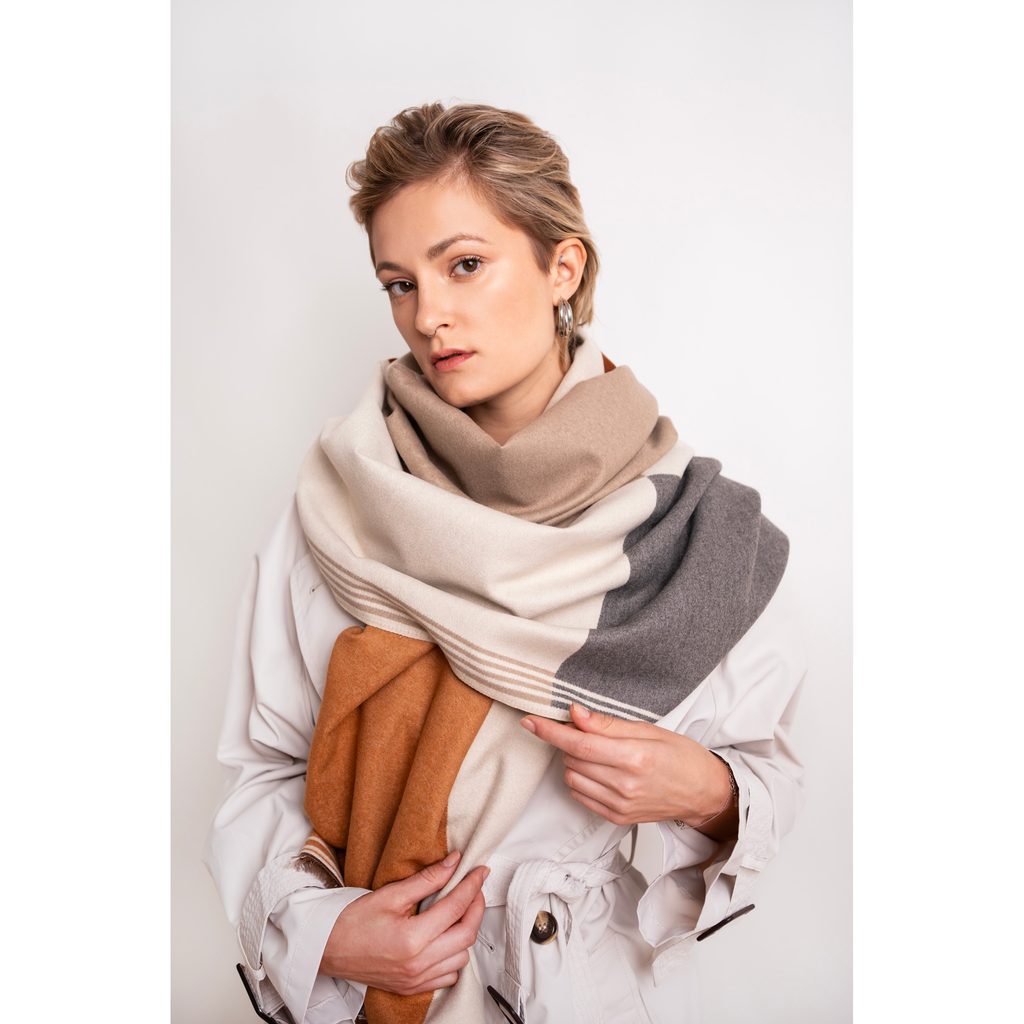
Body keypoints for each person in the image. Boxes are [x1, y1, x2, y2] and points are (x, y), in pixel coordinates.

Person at [204, 101, 807, 1024]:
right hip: (376, 996)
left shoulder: (695, 530)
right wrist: (327, 933)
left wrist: (708, 793)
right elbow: (265, 766)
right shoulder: (338, 502)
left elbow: (771, 777)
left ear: (564, 266)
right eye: (398, 283)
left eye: (465, 265)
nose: (428, 316)